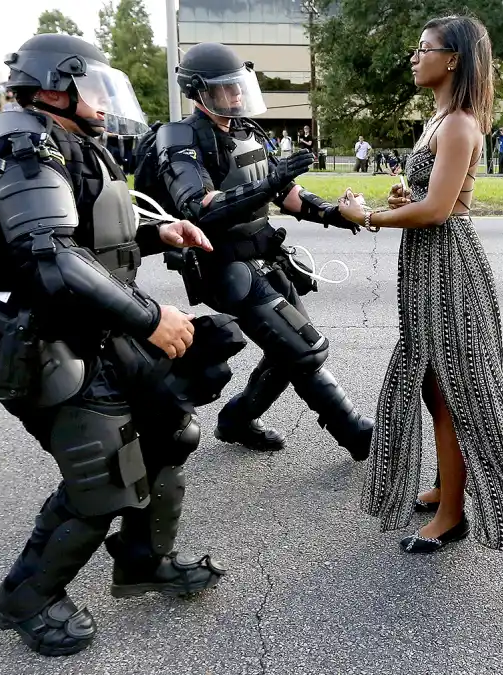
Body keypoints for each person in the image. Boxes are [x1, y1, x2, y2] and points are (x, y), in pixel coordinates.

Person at [0, 33, 236, 657]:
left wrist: (162, 234)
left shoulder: (68, 143)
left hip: (96, 326)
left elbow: (91, 234)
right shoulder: (22, 144)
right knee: (103, 479)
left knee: (169, 432)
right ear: (55, 86)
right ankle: (26, 599)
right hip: (44, 336)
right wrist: (150, 316)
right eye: (93, 88)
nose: (104, 102)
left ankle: (141, 560)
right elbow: (51, 257)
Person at [337, 16, 503, 554]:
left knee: (452, 391)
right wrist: (402, 200)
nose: (415, 58)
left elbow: (440, 210)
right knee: (429, 382)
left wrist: (366, 216)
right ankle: (447, 484)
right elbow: (428, 199)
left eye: (424, 49)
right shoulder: (438, 120)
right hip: (427, 265)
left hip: (448, 268)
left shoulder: (461, 123)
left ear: (453, 59)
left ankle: (452, 514)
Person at [153, 41, 374, 459]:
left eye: (239, 85)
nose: (236, 95)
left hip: (266, 256)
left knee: (287, 350)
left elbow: (286, 191)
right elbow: (197, 207)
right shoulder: (179, 136)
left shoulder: (246, 131)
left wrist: (334, 214)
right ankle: (358, 435)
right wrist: (270, 184)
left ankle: (236, 420)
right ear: (199, 91)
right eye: (226, 88)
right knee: (304, 349)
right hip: (226, 265)